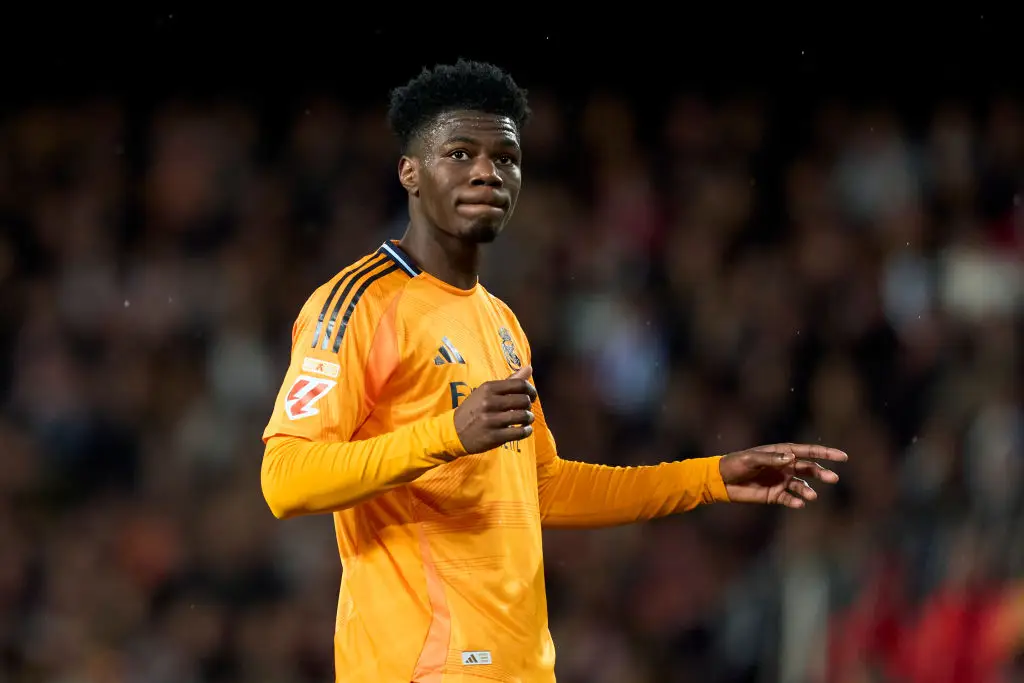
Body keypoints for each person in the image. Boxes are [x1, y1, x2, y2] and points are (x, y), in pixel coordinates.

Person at [260, 59, 848, 683]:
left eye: (506, 158)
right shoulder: (356, 304)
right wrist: (445, 435)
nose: (487, 171)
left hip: (520, 667)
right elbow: (285, 479)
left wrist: (709, 477)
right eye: (460, 154)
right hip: (423, 665)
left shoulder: (502, 323)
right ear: (410, 171)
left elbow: (542, 488)